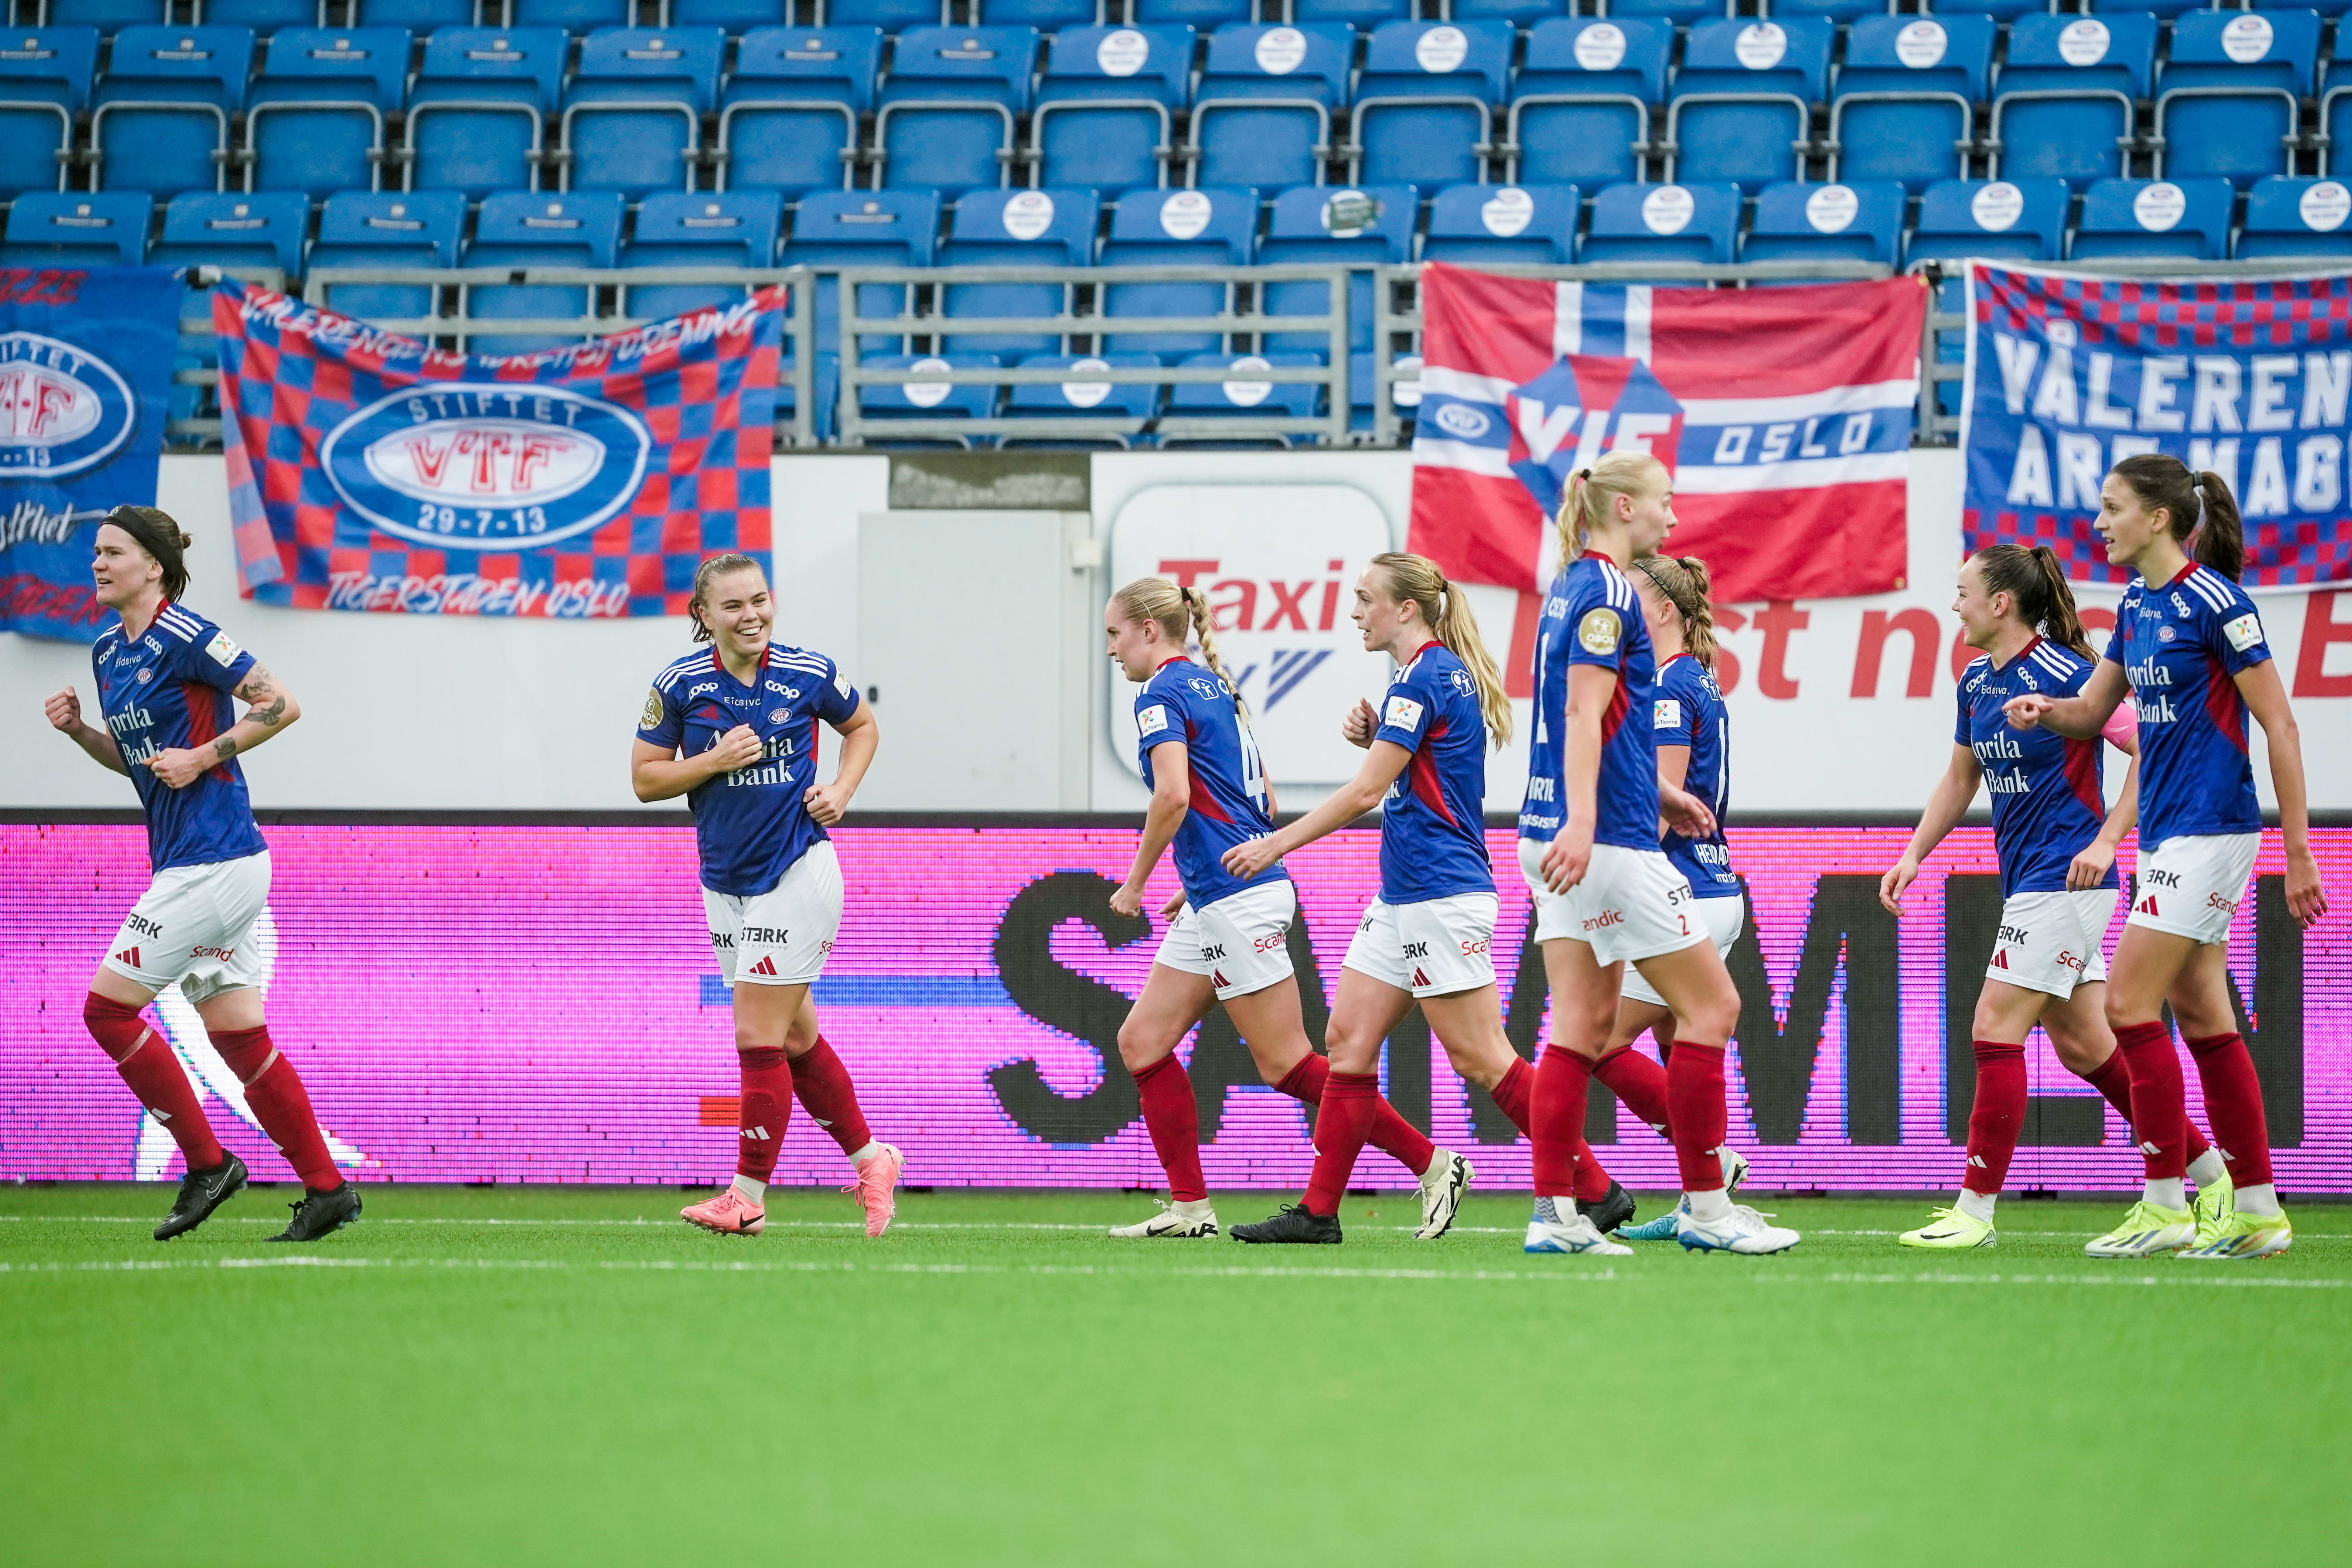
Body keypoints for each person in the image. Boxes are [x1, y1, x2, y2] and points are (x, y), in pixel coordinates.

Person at [2004, 456, 2325, 1260]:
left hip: (2211, 830)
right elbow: (2092, 712)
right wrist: (2047, 711)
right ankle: (2256, 1209)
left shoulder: (2217, 602)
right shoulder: (2135, 605)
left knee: (2124, 1006)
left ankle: (2164, 1203)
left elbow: (2280, 725)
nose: (2098, 523)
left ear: (2157, 519)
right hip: (2167, 836)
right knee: (2207, 1020)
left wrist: (2299, 851)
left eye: (2111, 508)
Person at [1880, 543, 2234, 1248]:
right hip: (2032, 883)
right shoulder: (1975, 681)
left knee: (1993, 1026)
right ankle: (2212, 1176)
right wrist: (1914, 853)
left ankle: (1974, 1212)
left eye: (1962, 593)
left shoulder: (2069, 674)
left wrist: (2106, 841)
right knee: (2081, 1047)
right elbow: (1960, 779)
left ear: (2000, 603)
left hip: (2066, 881)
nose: (1954, 606)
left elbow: (2150, 752)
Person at [1102, 576, 1469, 1241]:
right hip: (1222, 892)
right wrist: (1201, 874)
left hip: (1236, 900)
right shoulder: (1214, 687)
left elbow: (1173, 797)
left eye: (1114, 633)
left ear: (1148, 631)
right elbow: (1260, 799)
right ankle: (1190, 1209)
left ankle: (1433, 1163)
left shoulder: (1159, 694)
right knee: (1142, 1042)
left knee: (1288, 1065)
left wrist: (1136, 883)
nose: (1110, 648)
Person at [1218, 553, 1556, 1244]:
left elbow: (1367, 792)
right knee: (1346, 1043)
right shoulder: (1425, 676)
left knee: (1480, 1058)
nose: (1354, 612)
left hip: (1440, 892)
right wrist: (1379, 739)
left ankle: (1591, 1184)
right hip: (1406, 894)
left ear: (1405, 609)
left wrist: (1276, 844)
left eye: (1364, 598)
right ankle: (1317, 1213)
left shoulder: (1424, 675)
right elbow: (1423, 772)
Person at [43, 506, 359, 1243]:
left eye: (113, 552)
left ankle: (208, 1165)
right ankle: (327, 1190)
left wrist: (204, 755)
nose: (97, 563)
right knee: (239, 1036)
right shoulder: (107, 651)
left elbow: (282, 704)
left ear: (153, 566)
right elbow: (139, 764)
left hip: (212, 863)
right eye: (97, 552)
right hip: (205, 864)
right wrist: (82, 732)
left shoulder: (187, 634)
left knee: (106, 1012)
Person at [1520, 452, 1799, 1256]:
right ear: (1621, 506)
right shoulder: (1611, 591)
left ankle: (1555, 1216)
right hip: (1603, 839)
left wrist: (1658, 792)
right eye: (1664, 502)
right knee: (1712, 1010)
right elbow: (1582, 713)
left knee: (1580, 1029)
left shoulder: (1567, 586)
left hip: (1552, 830)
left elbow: (1593, 720)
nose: (1673, 518)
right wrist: (1587, 818)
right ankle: (1707, 1209)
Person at [633, 554, 902, 1238]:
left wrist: (841, 791)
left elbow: (863, 727)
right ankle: (872, 1160)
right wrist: (713, 761)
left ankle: (746, 1196)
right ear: (704, 616)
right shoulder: (680, 684)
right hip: (724, 883)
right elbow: (644, 780)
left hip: (797, 870)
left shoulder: (809, 671)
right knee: (794, 1036)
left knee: (756, 1034)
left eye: (759, 600)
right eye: (733, 606)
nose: (752, 615)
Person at [1595, 554, 1754, 1244]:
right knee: (1677, 1043)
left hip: (1680, 889)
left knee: (1596, 1041)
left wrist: (1603, 874)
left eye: (1629, 597)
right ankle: (1701, 1201)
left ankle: (1710, 1167)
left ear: (1663, 609)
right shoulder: (1695, 679)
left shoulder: (1666, 686)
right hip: (1711, 886)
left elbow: (1657, 808)